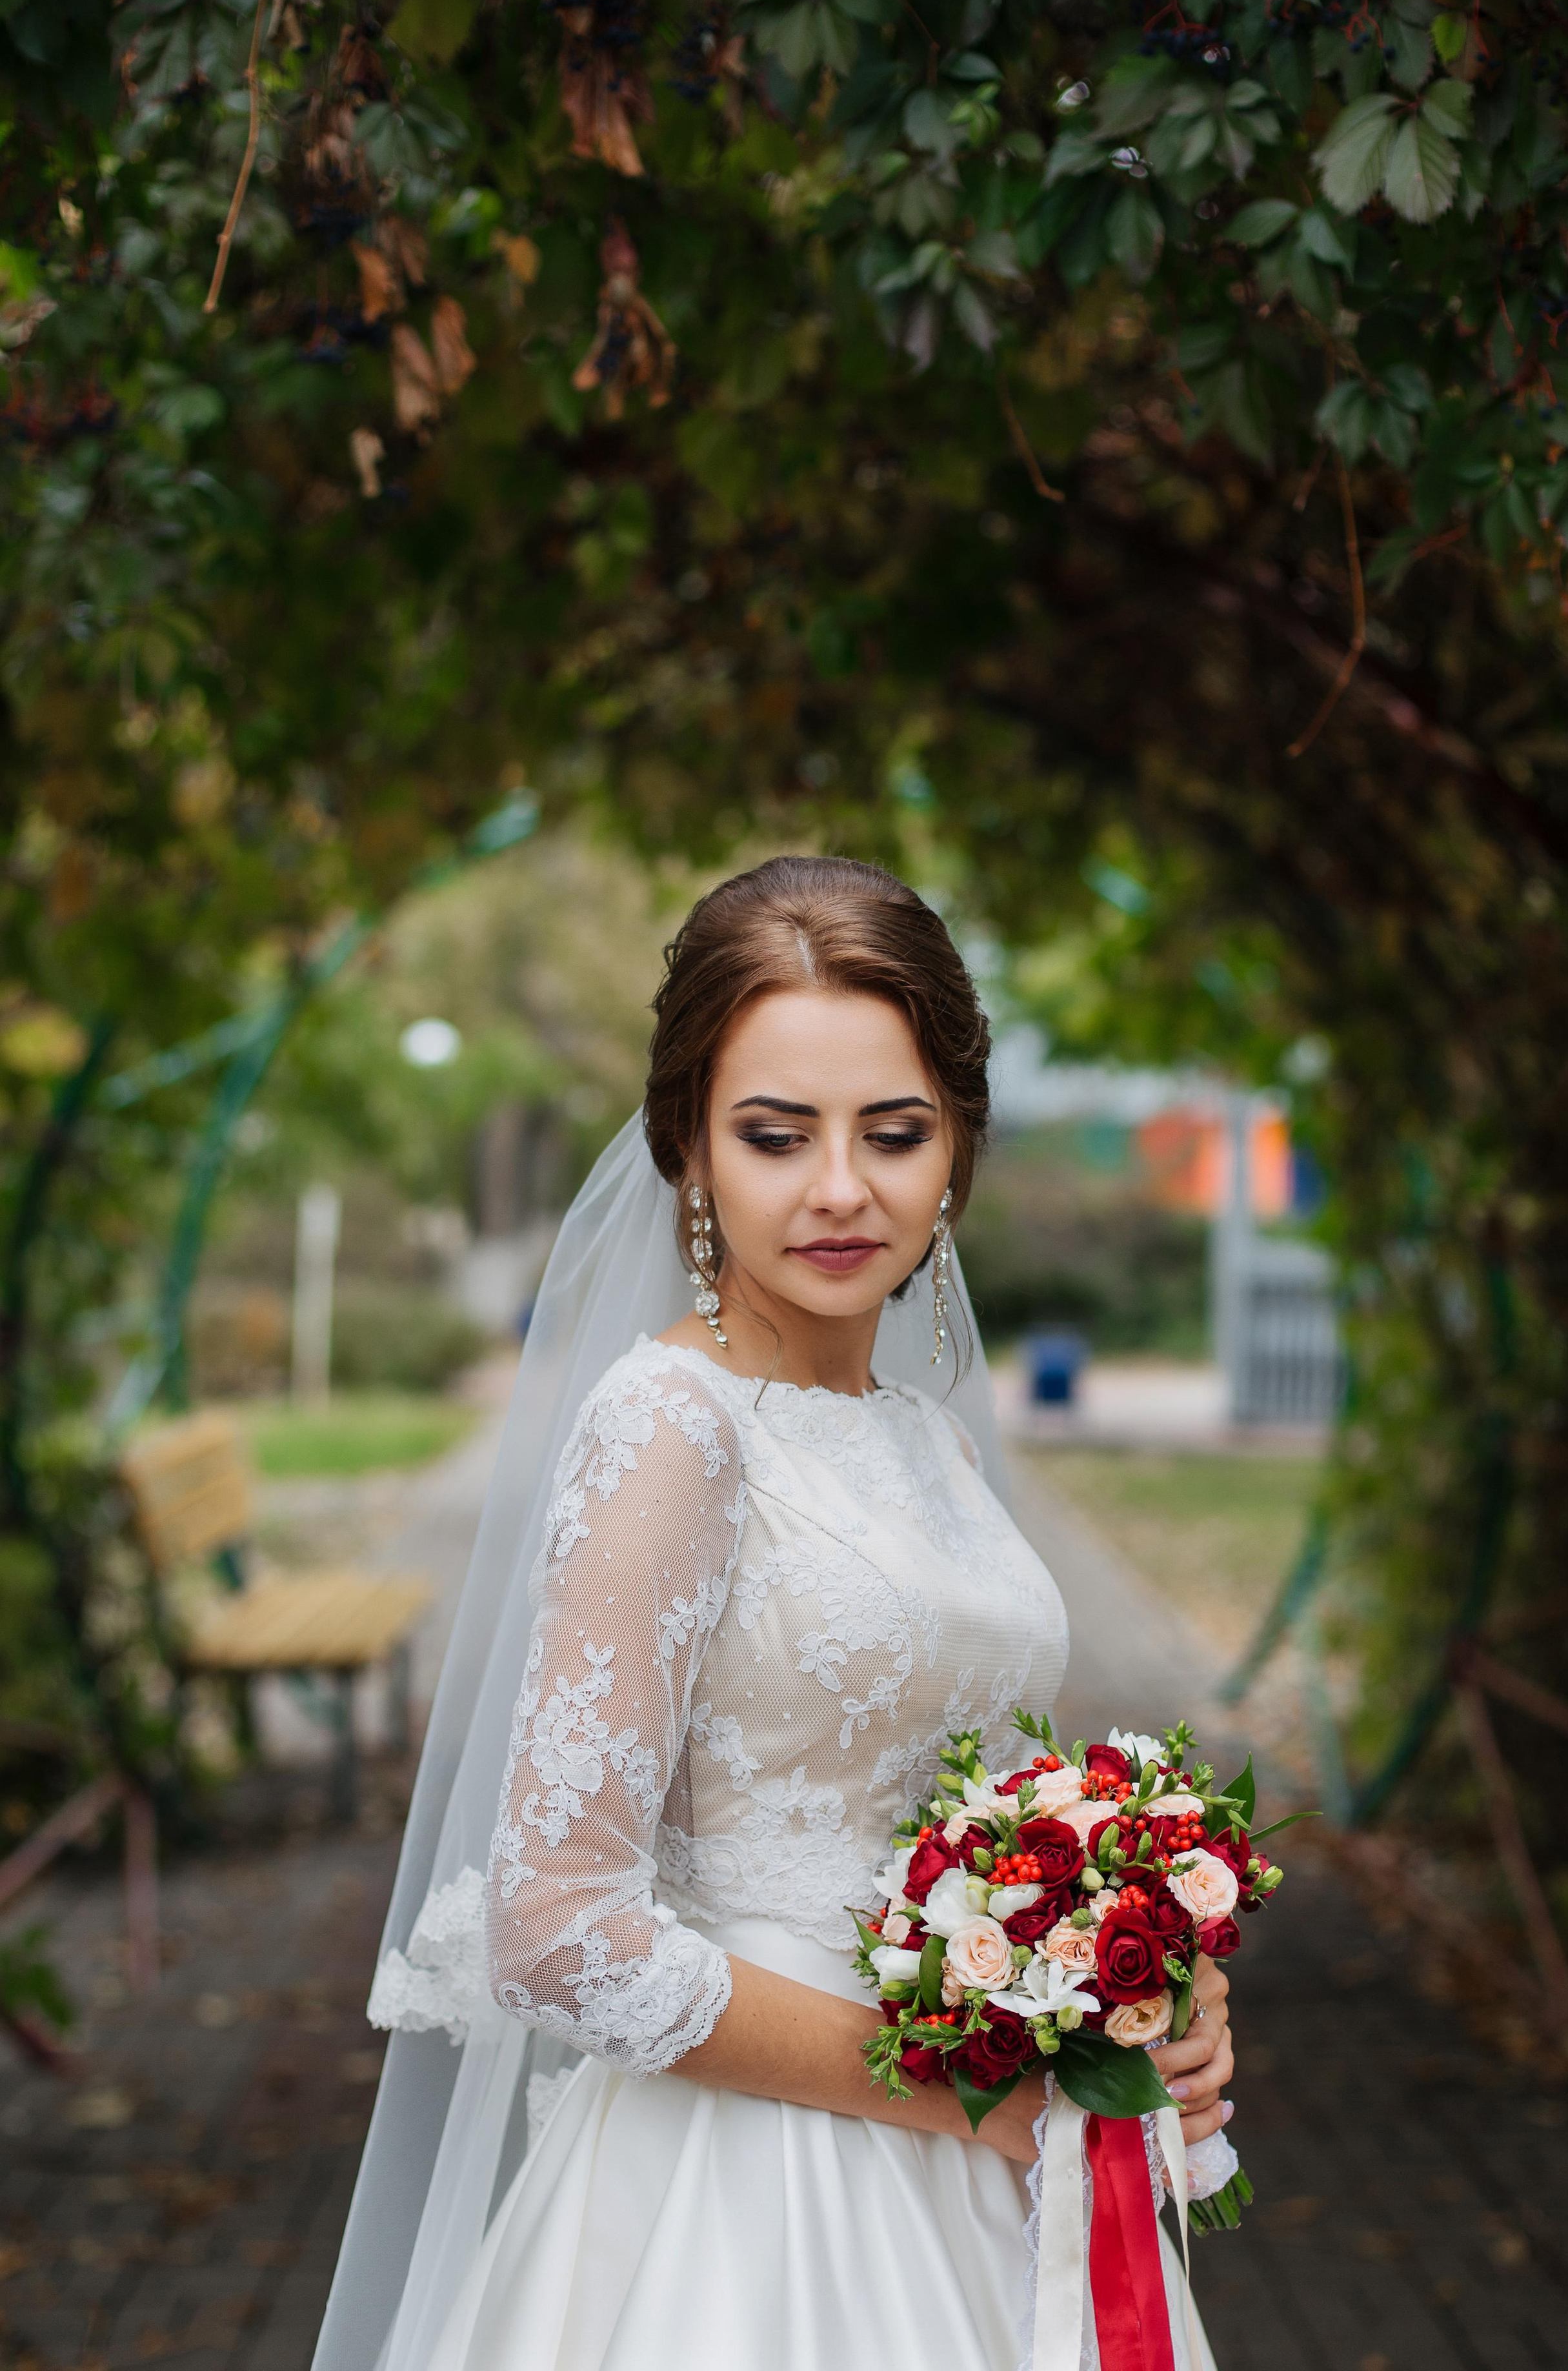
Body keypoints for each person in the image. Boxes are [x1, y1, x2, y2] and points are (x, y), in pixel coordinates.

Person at [314, 855, 1236, 2371]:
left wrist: (1144, 1985)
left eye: (893, 1133)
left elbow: (982, 1809)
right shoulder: (669, 1428)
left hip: (989, 2156)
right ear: (687, 1146)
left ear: (956, 1149)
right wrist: (963, 2093)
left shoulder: (921, 1434)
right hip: (750, 2197)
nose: (837, 1189)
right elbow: (558, 1931)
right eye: (772, 1134)